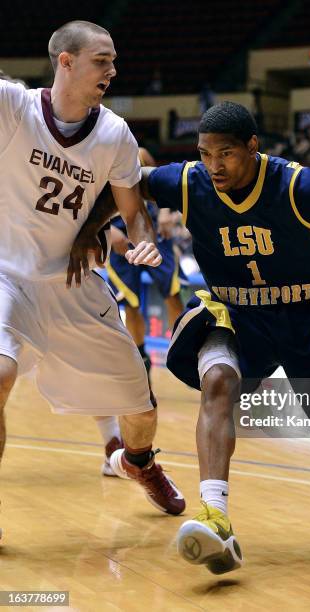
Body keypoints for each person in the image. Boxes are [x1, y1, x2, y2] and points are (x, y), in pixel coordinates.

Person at [71, 102, 310, 575]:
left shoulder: (299, 184)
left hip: (309, 313)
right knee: (217, 380)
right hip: (235, 315)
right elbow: (125, 184)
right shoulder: (190, 181)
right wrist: (88, 231)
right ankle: (215, 516)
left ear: (253, 148)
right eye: (205, 153)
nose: (214, 165)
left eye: (227, 154)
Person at [0, 20, 186, 543]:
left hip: (72, 280)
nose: (112, 69)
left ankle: (140, 462)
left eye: (113, 61)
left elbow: (135, 210)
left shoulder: (113, 133)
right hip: (6, 273)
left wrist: (141, 237)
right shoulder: (12, 106)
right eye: (102, 60)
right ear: (66, 61)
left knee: (142, 407)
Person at [107, 147, 185, 383]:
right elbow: (85, 205)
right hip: (116, 232)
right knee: (130, 304)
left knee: (172, 294)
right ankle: (142, 360)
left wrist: (164, 212)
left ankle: (184, 352)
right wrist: (108, 232)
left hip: (148, 228)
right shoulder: (97, 158)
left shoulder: (139, 153)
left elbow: (159, 183)